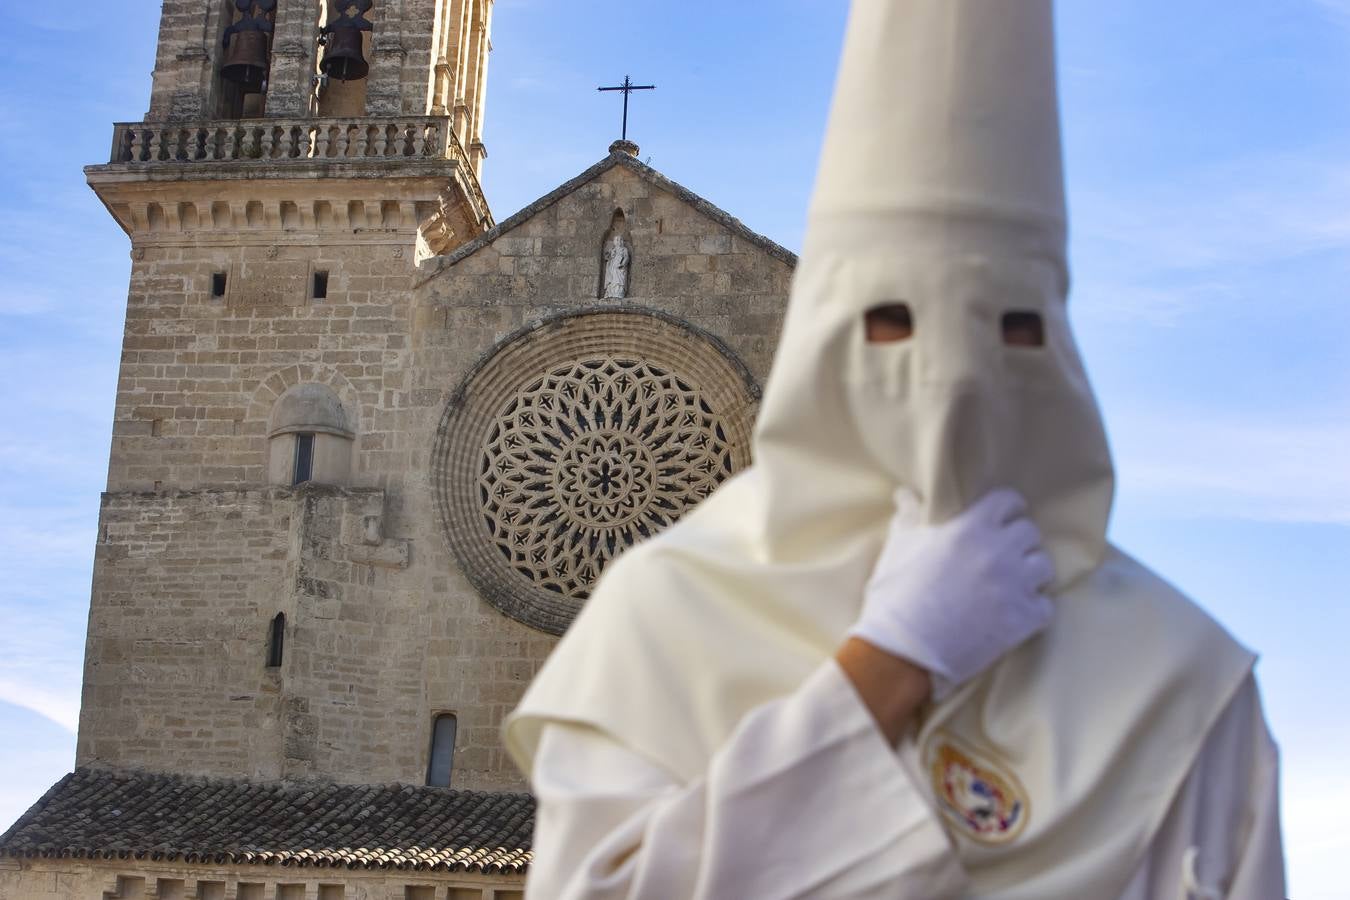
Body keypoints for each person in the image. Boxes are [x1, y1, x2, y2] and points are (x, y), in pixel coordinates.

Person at [505, 1, 1286, 897]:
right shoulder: (657, 620)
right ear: (824, 346)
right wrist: (885, 670)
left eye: (1011, 327)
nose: (952, 384)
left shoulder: (1185, 686)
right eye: (893, 322)